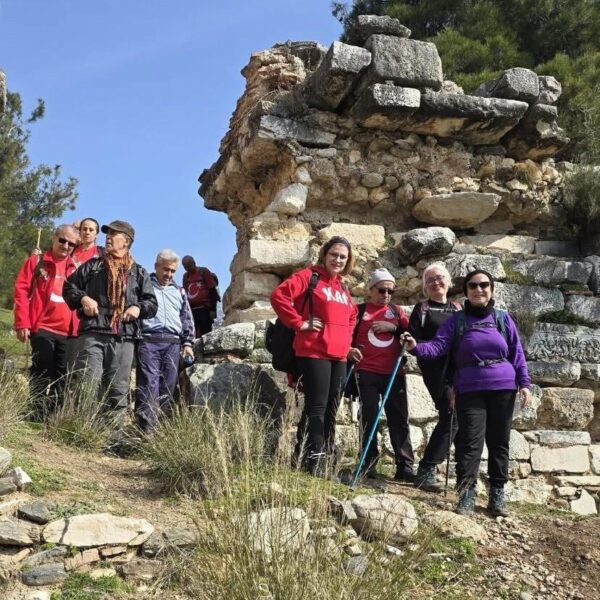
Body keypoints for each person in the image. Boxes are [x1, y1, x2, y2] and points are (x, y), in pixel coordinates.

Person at [404, 269, 531, 517]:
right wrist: (416, 346)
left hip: (504, 387)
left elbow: (517, 353)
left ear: (491, 289)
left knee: (499, 443)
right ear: (466, 292)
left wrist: (524, 383)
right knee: (469, 444)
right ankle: (466, 494)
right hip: (470, 388)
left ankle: (497, 494)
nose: (478, 289)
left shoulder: (504, 320)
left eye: (484, 285)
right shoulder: (457, 321)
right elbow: (438, 346)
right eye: (472, 286)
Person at [63, 220, 157, 444]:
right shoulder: (93, 266)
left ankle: (113, 439)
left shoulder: (139, 272)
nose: (107, 236)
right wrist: (83, 298)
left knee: (118, 388)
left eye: (114, 234)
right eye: (107, 233)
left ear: (126, 241)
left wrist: (138, 307)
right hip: (93, 332)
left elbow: (151, 304)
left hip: (124, 336)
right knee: (88, 383)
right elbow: (69, 287)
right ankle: (82, 434)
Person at [270, 236, 357, 476]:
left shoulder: (342, 286)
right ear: (324, 255)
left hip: (338, 357)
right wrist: (299, 323)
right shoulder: (310, 276)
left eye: (343, 256)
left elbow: (352, 315)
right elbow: (279, 296)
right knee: (316, 407)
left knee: (331, 408)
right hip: (313, 351)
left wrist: (346, 340)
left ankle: (319, 454)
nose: (338, 260)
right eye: (334, 254)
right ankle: (316, 460)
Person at [347, 268, 414, 482]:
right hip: (366, 371)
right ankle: (368, 462)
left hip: (394, 372)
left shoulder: (397, 311)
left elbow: (410, 335)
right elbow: (346, 335)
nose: (386, 295)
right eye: (381, 290)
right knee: (368, 416)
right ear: (370, 289)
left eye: (390, 291)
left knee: (399, 418)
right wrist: (349, 350)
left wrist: (392, 329)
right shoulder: (360, 311)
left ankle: (405, 466)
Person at [409, 263, 462, 492]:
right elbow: (415, 341)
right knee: (451, 415)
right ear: (424, 287)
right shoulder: (421, 309)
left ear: (449, 282)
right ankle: (427, 468)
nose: (435, 282)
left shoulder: (460, 308)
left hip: (462, 369)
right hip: (436, 370)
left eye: (439, 278)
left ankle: (463, 473)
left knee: (462, 418)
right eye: (429, 280)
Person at [13, 224, 80, 406]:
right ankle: (36, 411)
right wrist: (22, 323)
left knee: (63, 376)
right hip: (42, 327)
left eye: (71, 244)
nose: (66, 246)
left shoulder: (77, 268)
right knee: (42, 370)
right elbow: (21, 291)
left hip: (69, 332)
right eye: (62, 240)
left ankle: (55, 417)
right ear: (53, 237)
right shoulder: (36, 262)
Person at [135, 249, 195, 432]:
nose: (169, 274)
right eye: (165, 269)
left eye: (173, 271)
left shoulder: (179, 291)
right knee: (148, 384)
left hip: (173, 343)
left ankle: (161, 430)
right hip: (148, 340)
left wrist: (188, 343)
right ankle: (145, 430)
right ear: (156, 267)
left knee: (168, 386)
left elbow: (186, 318)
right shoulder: (144, 287)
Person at [181, 256, 219, 336]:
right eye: (185, 266)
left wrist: (213, 309)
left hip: (205, 309)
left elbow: (212, 290)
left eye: (189, 265)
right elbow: (184, 293)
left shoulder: (204, 271)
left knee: (205, 334)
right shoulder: (185, 276)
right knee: (193, 333)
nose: (188, 268)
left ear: (194, 263)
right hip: (192, 310)